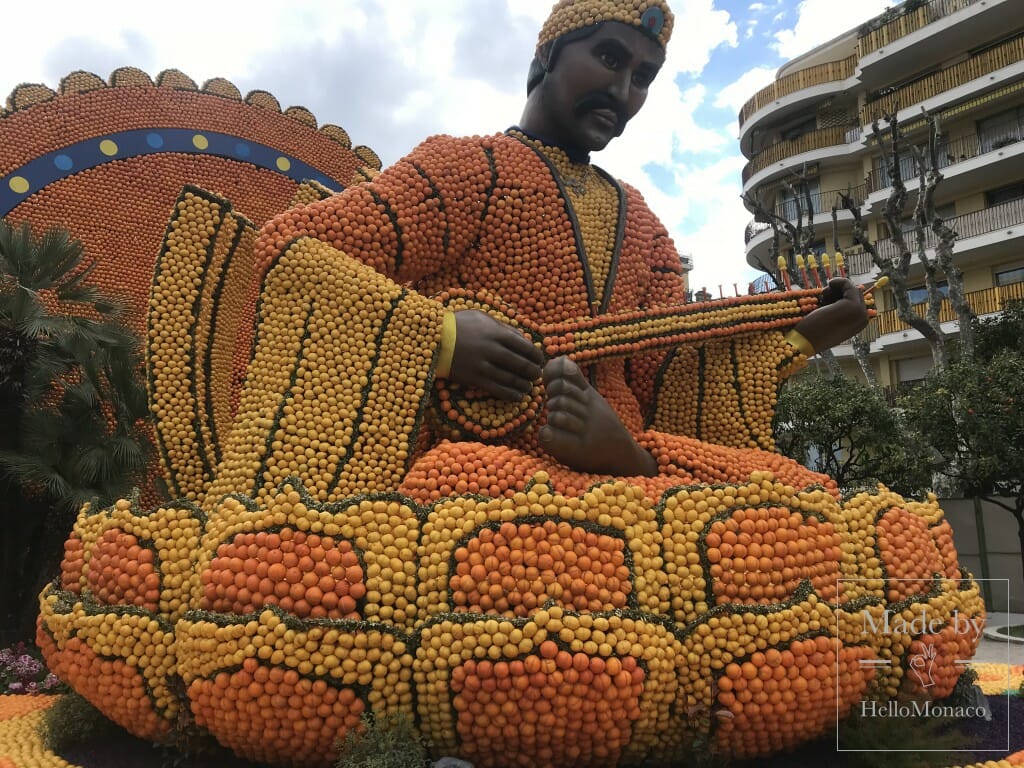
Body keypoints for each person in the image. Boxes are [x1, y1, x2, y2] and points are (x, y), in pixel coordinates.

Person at [222, 0, 868, 508]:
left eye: (642, 77)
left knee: (799, 495)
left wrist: (797, 338)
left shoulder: (641, 220)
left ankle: (635, 481)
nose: (623, 92)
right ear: (545, 60)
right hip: (483, 466)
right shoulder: (467, 166)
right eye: (609, 58)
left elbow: (663, 370)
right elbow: (291, 249)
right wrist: (440, 338)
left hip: (622, 465)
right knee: (466, 487)